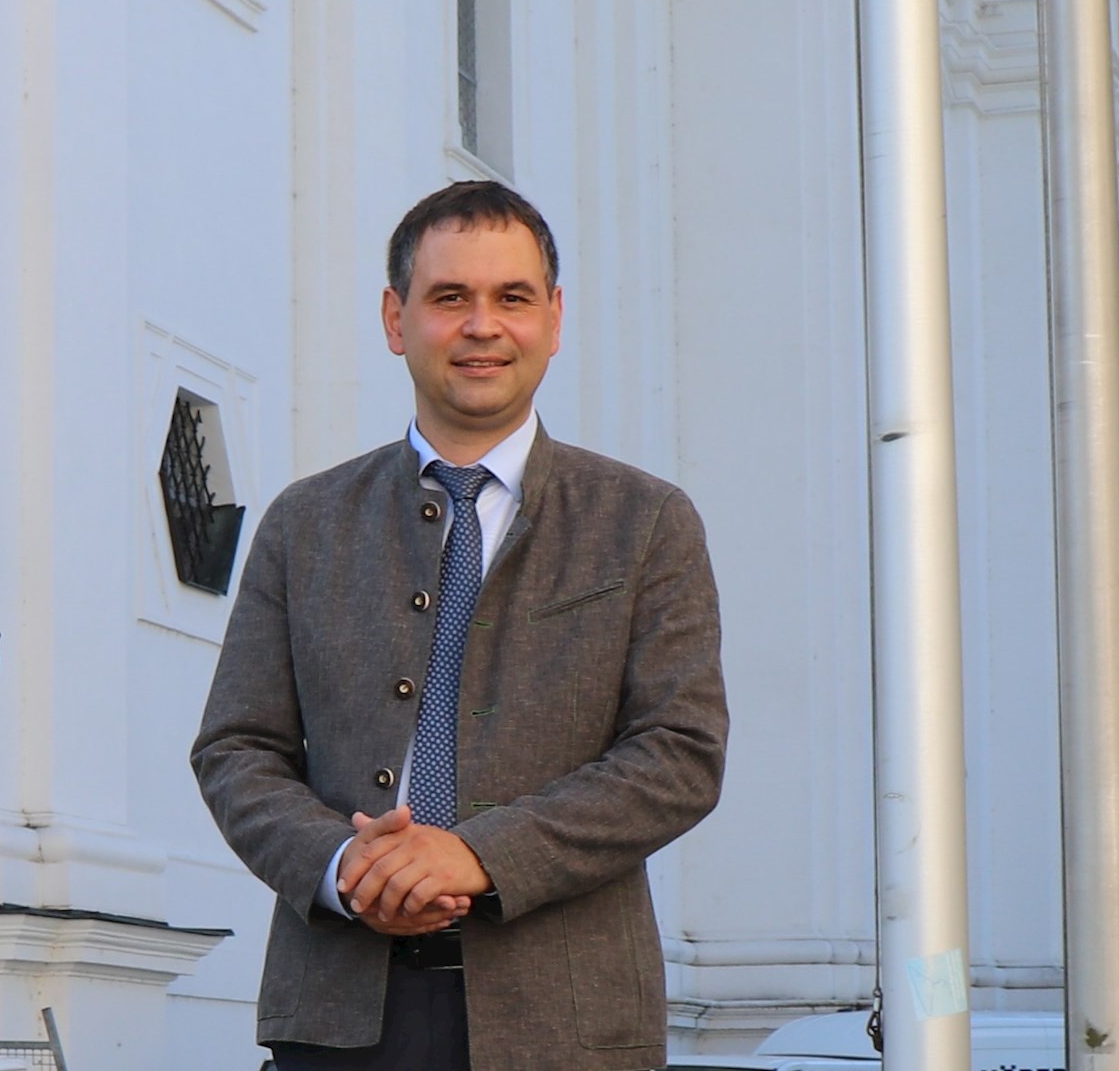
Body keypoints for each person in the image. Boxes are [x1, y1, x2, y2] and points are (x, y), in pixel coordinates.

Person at [191, 181, 728, 1070]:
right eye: (451, 298)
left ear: (553, 319)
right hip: (337, 1016)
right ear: (397, 319)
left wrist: (475, 855)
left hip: (566, 1028)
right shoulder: (306, 522)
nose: (483, 325)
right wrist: (345, 868)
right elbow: (236, 747)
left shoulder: (644, 521)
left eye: (511, 298)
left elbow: (679, 752)